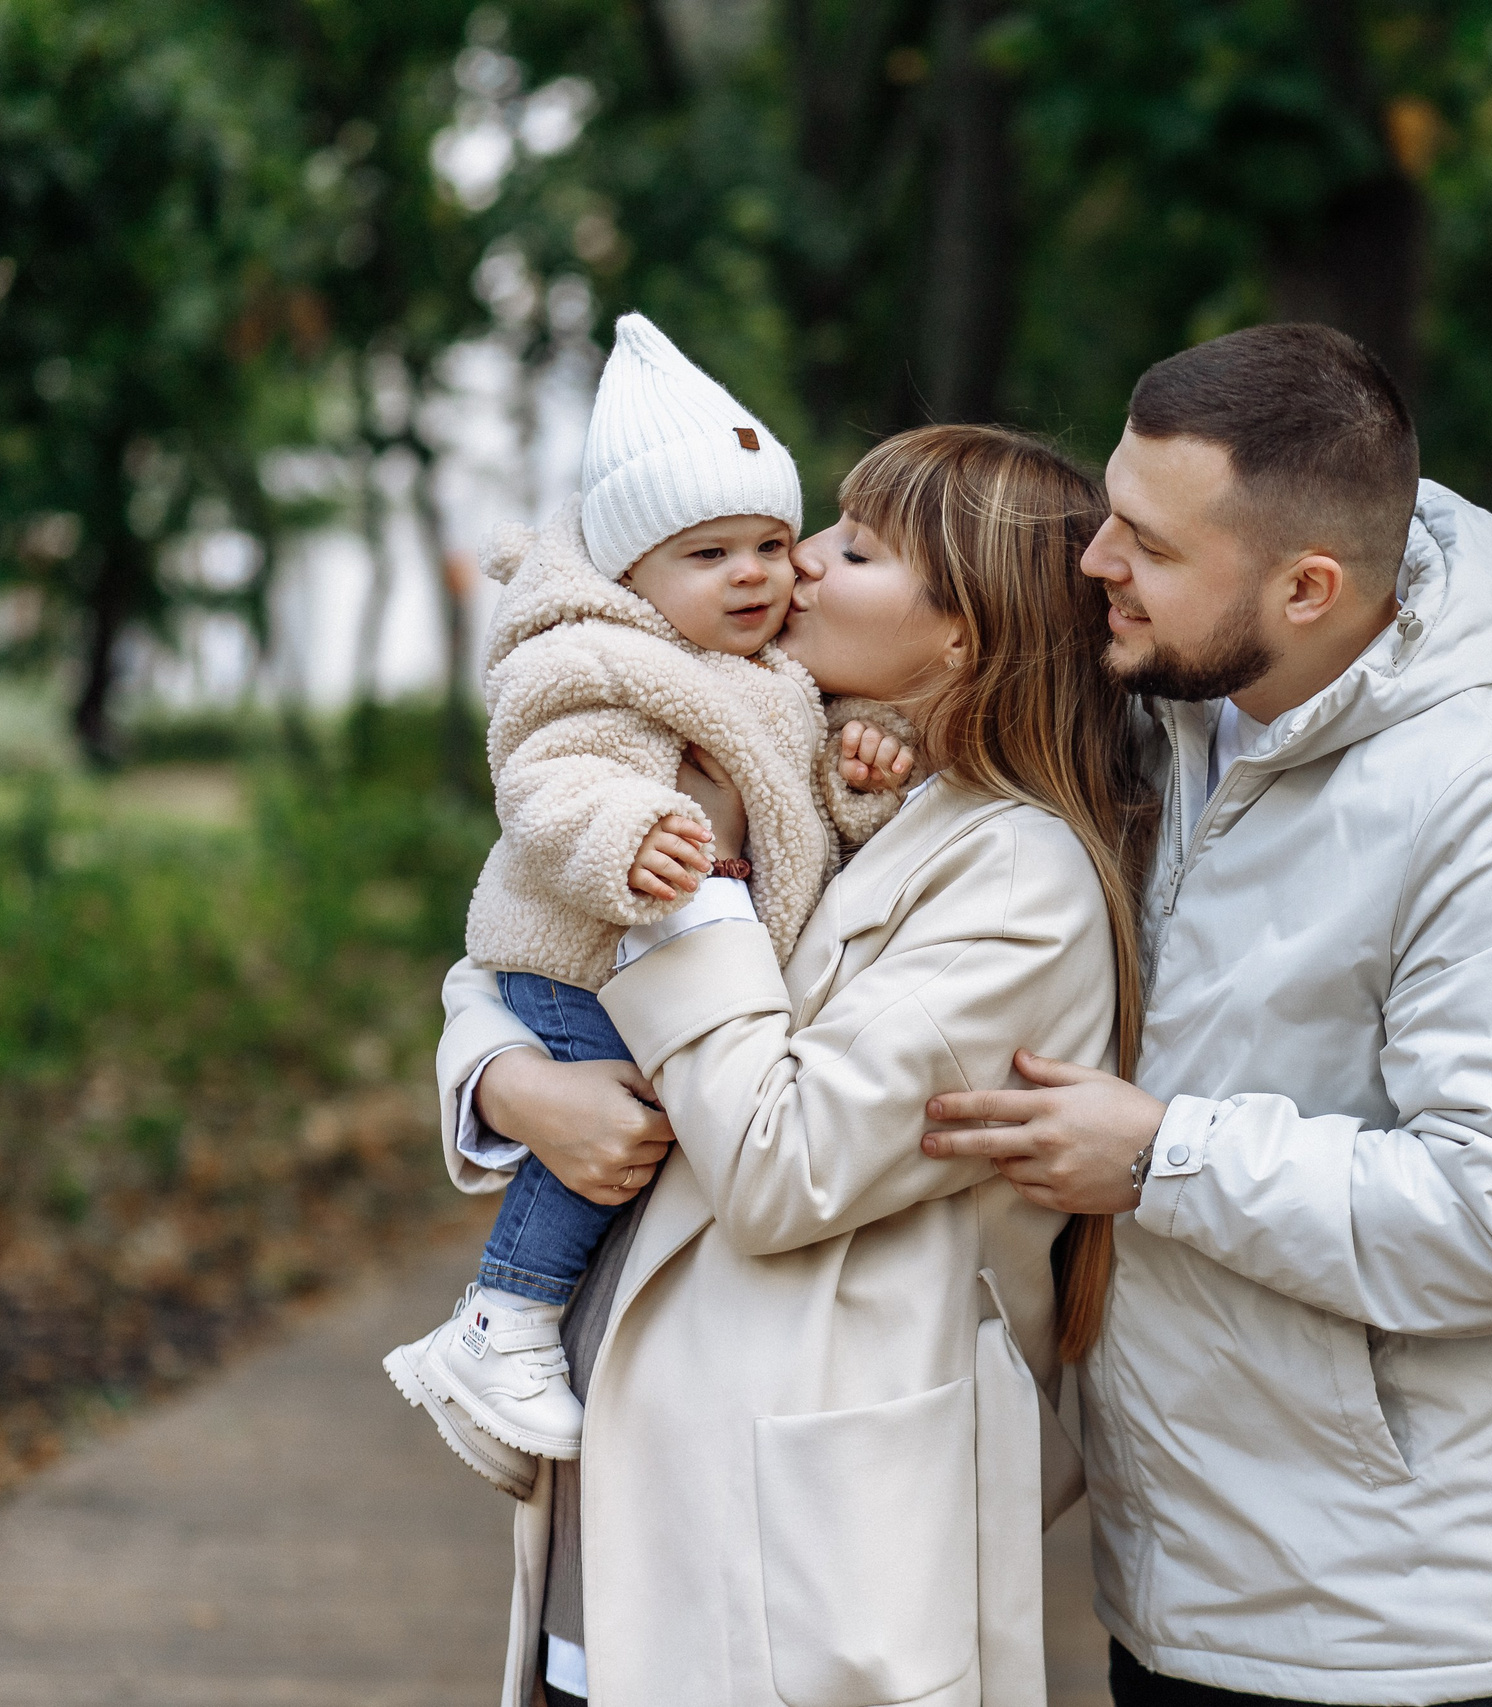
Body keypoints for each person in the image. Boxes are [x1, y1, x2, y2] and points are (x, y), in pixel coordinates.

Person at [920, 324, 1492, 1706]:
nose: (1096, 566)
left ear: (1310, 586)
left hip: (1413, 1628)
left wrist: (1160, 1158)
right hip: (1190, 1578)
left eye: (1145, 544)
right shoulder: (1173, 708)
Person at [432, 423, 1152, 1707]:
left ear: (961, 638)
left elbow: (782, 1162)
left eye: (858, 548)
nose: (800, 563)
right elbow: (527, 940)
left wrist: (691, 892)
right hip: (650, 1476)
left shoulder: (1018, 878)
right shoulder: (816, 770)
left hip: (795, 1539)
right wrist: (507, 1084)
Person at [384, 313, 910, 1474]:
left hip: (661, 959)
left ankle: (529, 1326)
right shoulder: (592, 657)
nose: (755, 576)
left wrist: (861, 778)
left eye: (772, 545)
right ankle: (500, 1314)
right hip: (574, 950)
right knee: (620, 1120)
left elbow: (801, 813)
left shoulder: (772, 674)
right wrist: (627, 834)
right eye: (710, 554)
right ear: (633, 572)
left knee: (638, 1122)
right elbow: (548, 777)